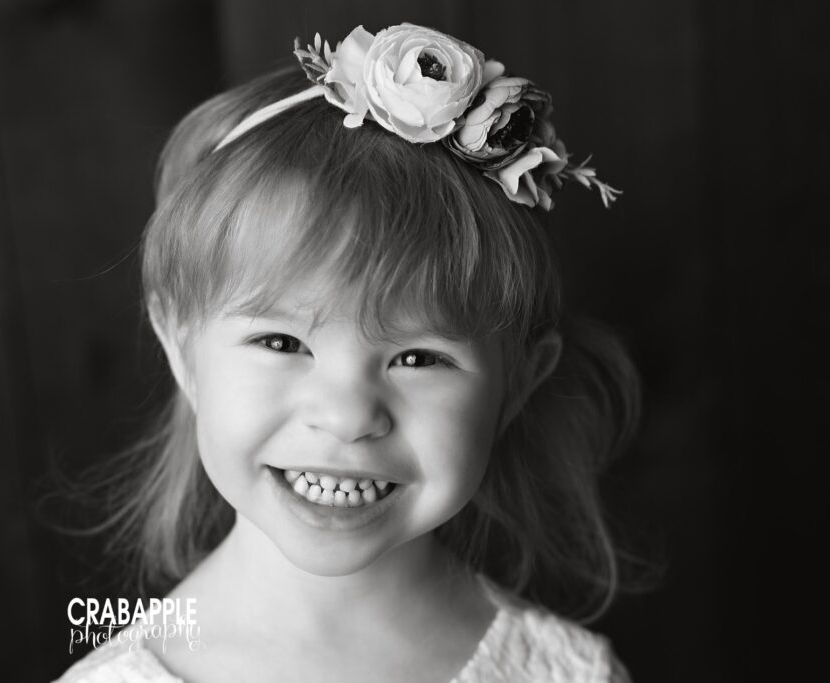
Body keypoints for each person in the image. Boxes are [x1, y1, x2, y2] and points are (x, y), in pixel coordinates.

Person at [57, 22, 639, 683]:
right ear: (181, 351)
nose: (347, 415)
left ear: (519, 383)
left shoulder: (570, 674)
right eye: (281, 341)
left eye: (418, 357)